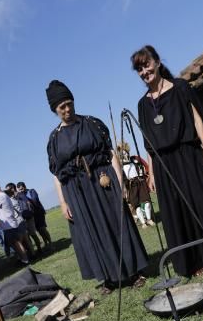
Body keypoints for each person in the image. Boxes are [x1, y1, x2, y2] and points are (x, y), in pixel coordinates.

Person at [131, 45, 203, 278]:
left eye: (146, 64)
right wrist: (152, 174)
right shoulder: (142, 104)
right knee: (178, 212)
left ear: (156, 62)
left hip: (189, 154)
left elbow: (197, 119)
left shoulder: (180, 88)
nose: (144, 71)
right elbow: (148, 142)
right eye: (139, 69)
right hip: (164, 164)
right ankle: (194, 263)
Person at [46, 79, 148, 293]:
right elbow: (57, 174)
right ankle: (108, 278)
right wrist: (63, 202)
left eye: (69, 103)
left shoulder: (92, 123)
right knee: (92, 232)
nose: (67, 109)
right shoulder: (54, 139)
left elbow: (111, 154)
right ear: (54, 109)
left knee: (117, 223)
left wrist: (121, 184)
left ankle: (133, 272)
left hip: (103, 181)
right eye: (61, 106)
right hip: (77, 191)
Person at [0, 182, 29, 264]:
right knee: (15, 244)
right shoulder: (4, 195)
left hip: (8, 225)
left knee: (16, 243)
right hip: (10, 224)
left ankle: (25, 260)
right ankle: (22, 259)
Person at [5, 182, 42, 253]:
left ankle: (39, 249)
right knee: (27, 237)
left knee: (33, 234)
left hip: (28, 218)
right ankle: (33, 251)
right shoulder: (11, 198)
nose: (7, 191)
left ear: (12, 189)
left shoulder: (21, 195)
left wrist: (28, 214)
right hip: (21, 220)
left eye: (8, 189)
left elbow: (28, 204)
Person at [17, 181, 52, 247]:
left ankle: (50, 243)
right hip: (31, 216)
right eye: (20, 189)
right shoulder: (20, 195)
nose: (21, 190)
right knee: (39, 230)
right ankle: (46, 243)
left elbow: (35, 200)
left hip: (39, 213)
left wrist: (24, 198)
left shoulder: (31, 191)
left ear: (25, 186)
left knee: (42, 229)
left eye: (22, 189)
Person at [123, 155, 155, 229]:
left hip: (140, 183)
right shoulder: (121, 165)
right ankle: (143, 223)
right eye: (123, 153)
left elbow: (143, 167)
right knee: (137, 206)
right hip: (131, 187)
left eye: (126, 153)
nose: (126, 155)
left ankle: (149, 219)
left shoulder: (135, 160)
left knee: (147, 202)